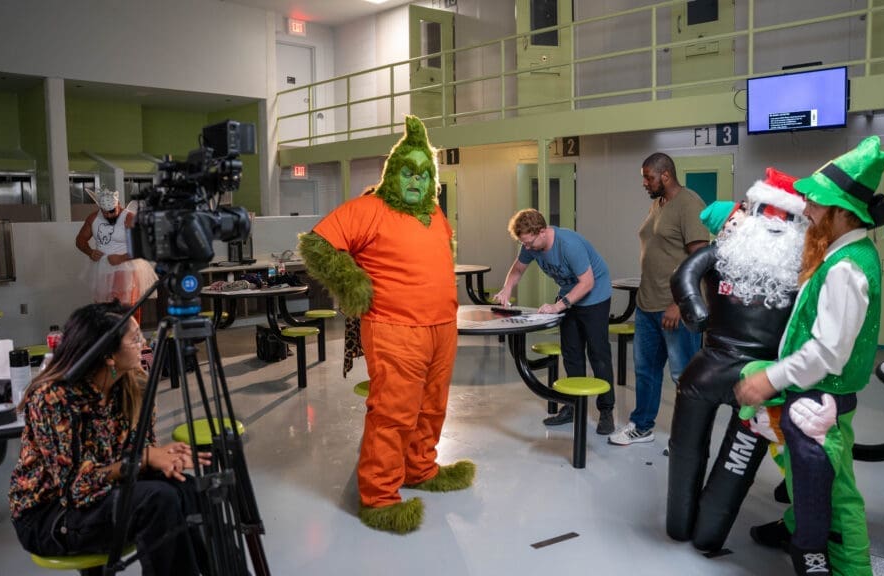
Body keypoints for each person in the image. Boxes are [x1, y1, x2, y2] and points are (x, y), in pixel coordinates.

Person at [299, 116, 474, 535]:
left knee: (432, 406)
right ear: (393, 173)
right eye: (407, 171)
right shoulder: (370, 209)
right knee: (394, 413)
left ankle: (420, 469)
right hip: (396, 329)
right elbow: (317, 244)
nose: (415, 180)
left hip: (442, 327)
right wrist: (352, 285)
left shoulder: (434, 213)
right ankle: (379, 497)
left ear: (432, 180)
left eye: (423, 174)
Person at [735, 136, 884, 576]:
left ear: (842, 212)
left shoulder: (846, 267)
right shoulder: (839, 253)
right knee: (802, 474)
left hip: (822, 397)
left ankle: (850, 567)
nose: (806, 209)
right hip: (811, 392)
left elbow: (828, 350)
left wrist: (770, 379)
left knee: (835, 492)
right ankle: (795, 525)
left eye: (816, 203)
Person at [9, 301, 210, 576]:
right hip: (50, 514)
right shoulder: (54, 397)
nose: (143, 344)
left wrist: (163, 458)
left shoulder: (132, 384)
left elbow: (139, 449)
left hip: (104, 492)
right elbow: (75, 489)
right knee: (158, 501)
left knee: (188, 489)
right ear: (108, 356)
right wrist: (144, 459)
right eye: (135, 339)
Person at [666, 168, 808, 553]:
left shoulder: (806, 266)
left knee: (735, 461)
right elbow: (684, 275)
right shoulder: (728, 251)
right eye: (769, 213)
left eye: (783, 215)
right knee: (687, 450)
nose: (774, 223)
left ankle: (705, 534)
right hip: (723, 369)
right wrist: (695, 310)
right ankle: (682, 526)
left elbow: (684, 274)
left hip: (759, 381)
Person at [609, 152, 707, 446]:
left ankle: (688, 439)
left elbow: (701, 259)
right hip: (647, 304)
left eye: (648, 177)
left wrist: (679, 302)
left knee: (683, 376)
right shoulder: (658, 203)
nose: (644, 183)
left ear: (666, 175)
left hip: (675, 308)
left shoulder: (689, 204)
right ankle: (642, 426)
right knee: (646, 371)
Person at [493, 208, 616, 435]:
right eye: (523, 244)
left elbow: (587, 283)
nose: (527, 248)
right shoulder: (530, 245)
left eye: (529, 243)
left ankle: (606, 411)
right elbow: (518, 269)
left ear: (542, 231)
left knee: (598, 354)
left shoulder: (568, 245)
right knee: (571, 353)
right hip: (570, 294)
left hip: (595, 295)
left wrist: (558, 306)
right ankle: (572, 406)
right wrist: (507, 289)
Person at [75, 189, 157, 323]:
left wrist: (121, 258)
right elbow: (80, 240)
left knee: (127, 308)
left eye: (112, 211)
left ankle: (131, 334)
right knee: (103, 309)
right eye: (105, 212)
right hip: (102, 268)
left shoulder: (129, 218)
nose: (108, 215)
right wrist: (90, 252)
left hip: (126, 267)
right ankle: (109, 336)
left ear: (118, 205)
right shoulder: (93, 218)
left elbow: (143, 245)